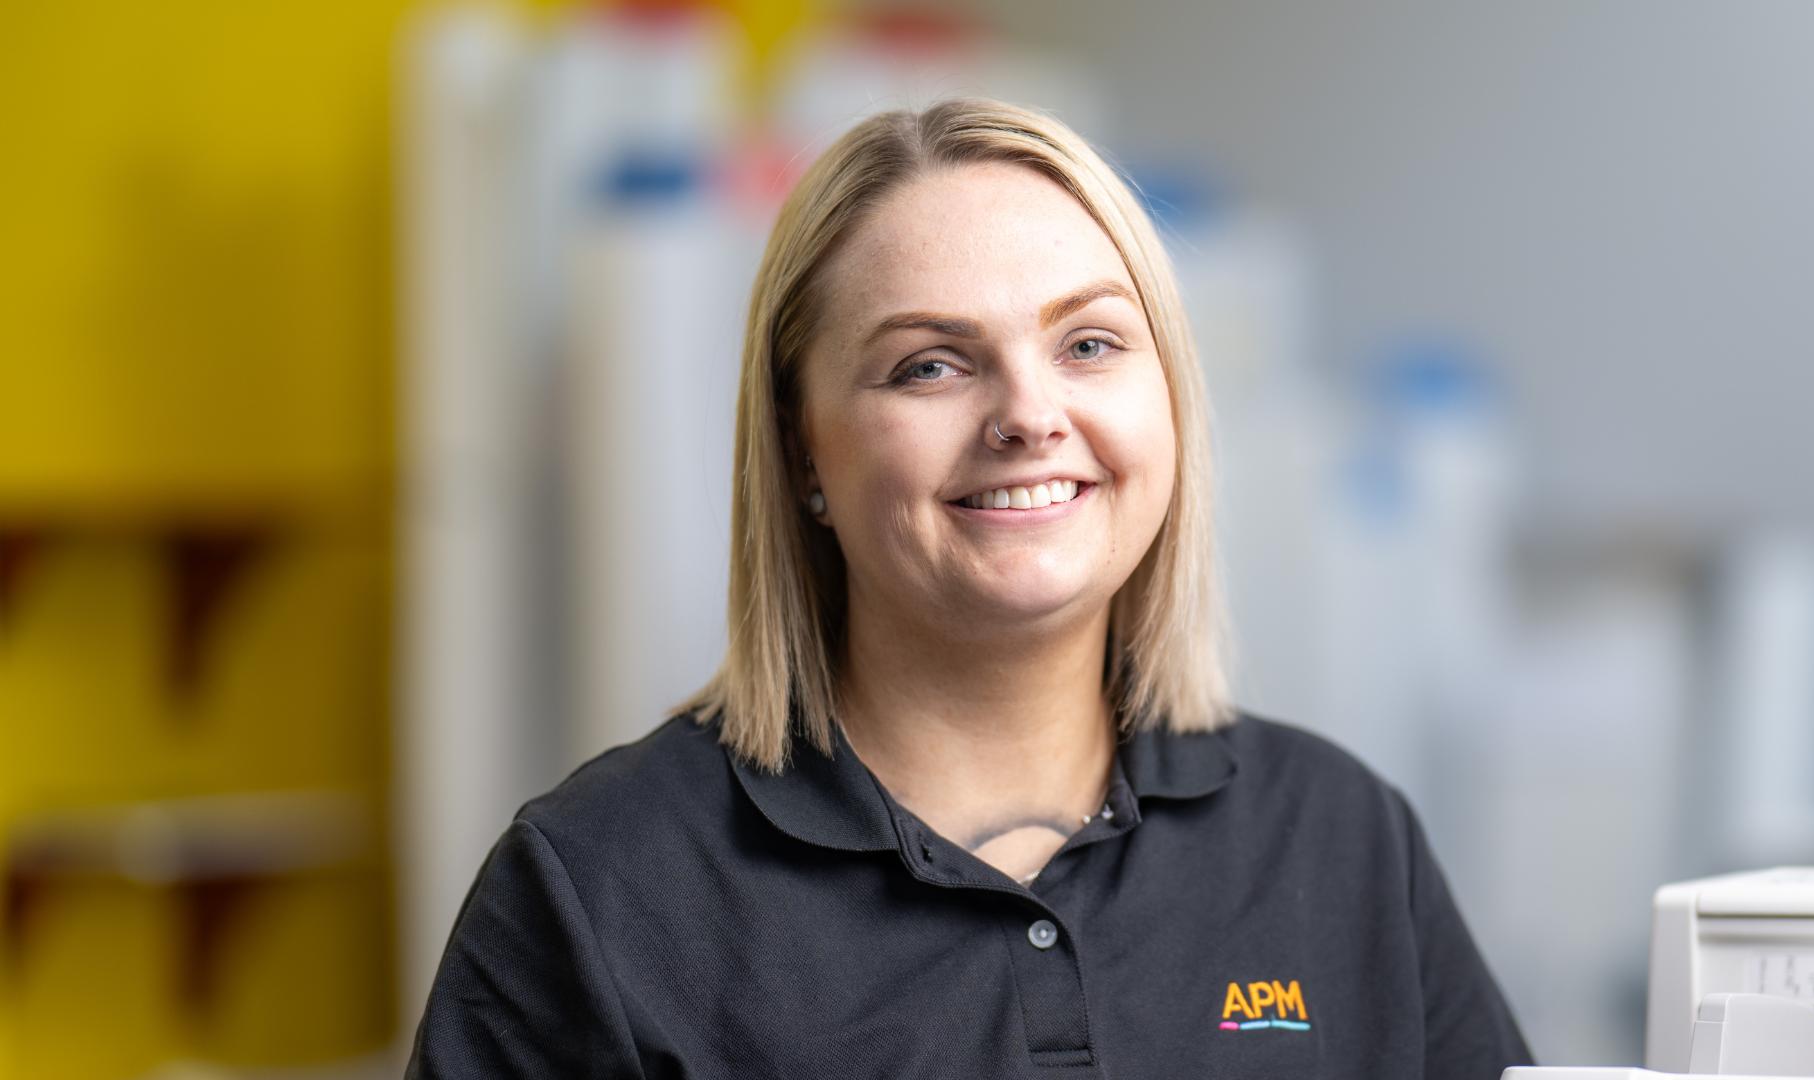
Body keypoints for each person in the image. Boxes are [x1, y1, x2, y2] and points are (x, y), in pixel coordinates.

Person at [405, 98, 1532, 1079]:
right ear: (804, 454)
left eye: (1090, 344)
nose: (1030, 416)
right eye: (930, 364)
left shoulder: (1338, 839)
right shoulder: (600, 891)